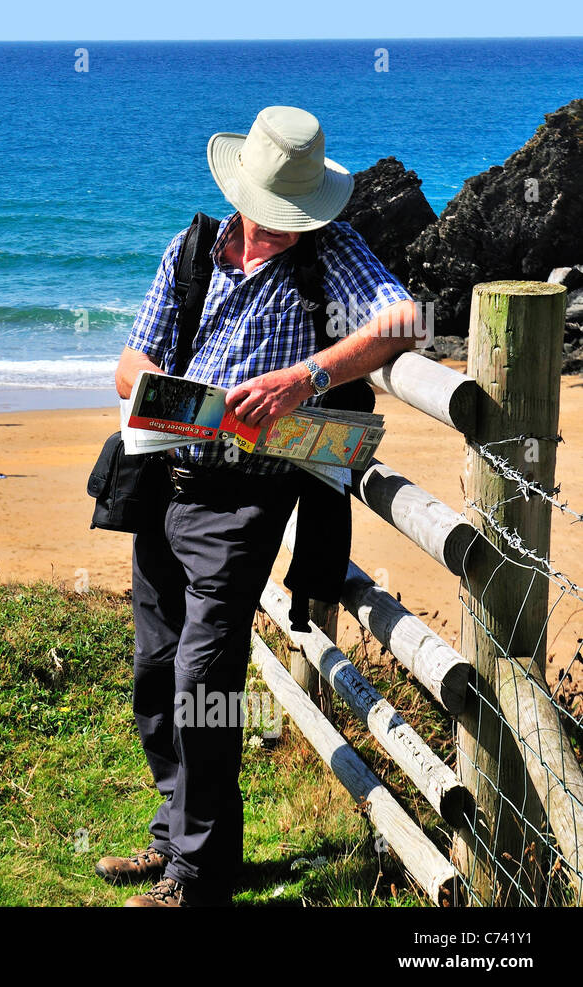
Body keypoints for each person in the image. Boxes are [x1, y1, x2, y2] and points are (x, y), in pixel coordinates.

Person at [100, 106, 422, 908]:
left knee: (203, 676)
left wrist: (302, 378)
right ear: (242, 192)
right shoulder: (193, 249)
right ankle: (174, 840)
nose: (284, 229)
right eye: (275, 215)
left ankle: (199, 877)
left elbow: (403, 321)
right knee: (154, 671)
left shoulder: (331, 250)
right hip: (162, 478)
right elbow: (129, 361)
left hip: (249, 496)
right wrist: (176, 403)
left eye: (295, 218)